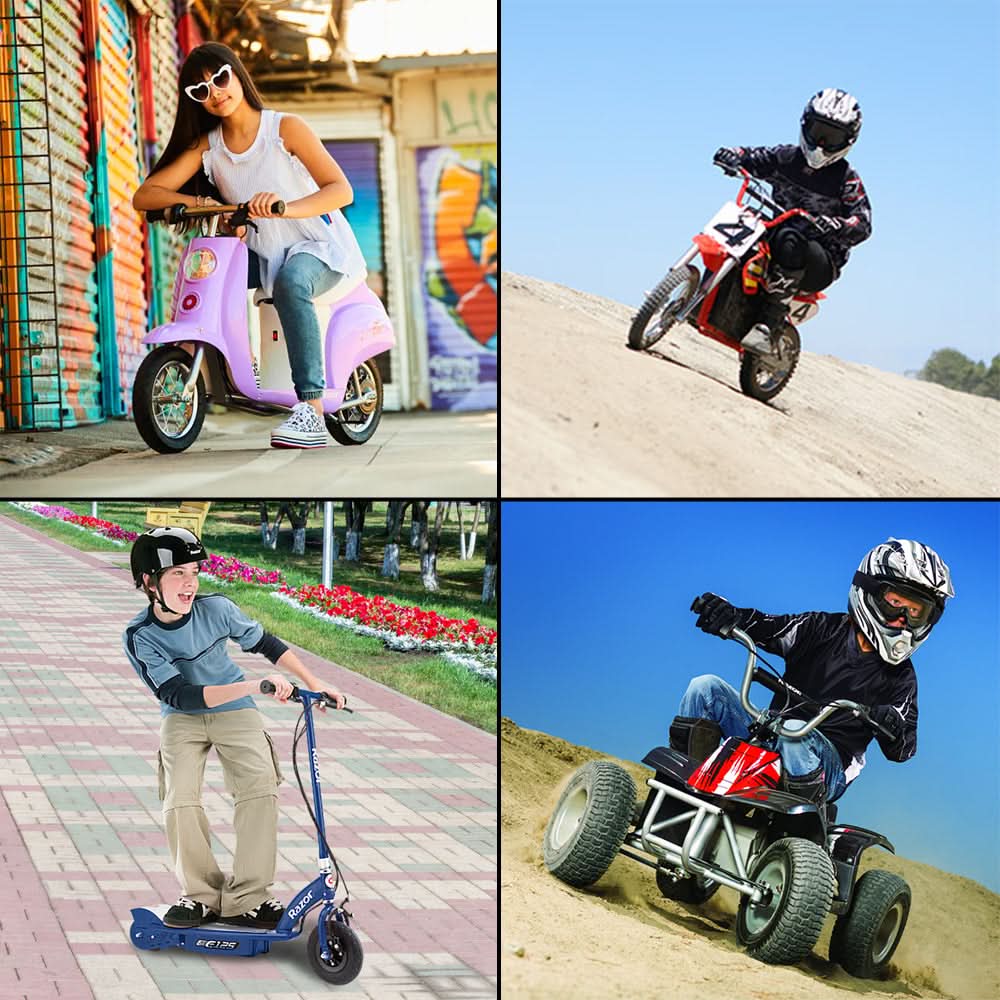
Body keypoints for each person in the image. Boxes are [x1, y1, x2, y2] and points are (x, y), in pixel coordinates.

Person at [132, 41, 367, 449]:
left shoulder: (284, 129)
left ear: (237, 73)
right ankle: (218, 363)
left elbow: (340, 190)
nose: (215, 92)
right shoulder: (209, 147)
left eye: (220, 78)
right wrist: (200, 203)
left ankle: (310, 409)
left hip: (319, 246)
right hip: (264, 253)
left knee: (293, 281)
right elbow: (147, 194)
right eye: (201, 90)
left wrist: (285, 209)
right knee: (211, 281)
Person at [122, 526, 347, 929]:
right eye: (178, 574)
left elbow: (268, 645)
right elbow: (181, 696)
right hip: (182, 717)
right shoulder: (140, 636)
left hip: (234, 710)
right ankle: (200, 897)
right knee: (181, 797)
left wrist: (315, 684)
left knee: (260, 786)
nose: (190, 583)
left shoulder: (218, 609)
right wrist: (252, 685)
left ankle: (249, 898)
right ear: (148, 582)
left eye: (194, 573)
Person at [670, 539, 953, 807]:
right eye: (895, 602)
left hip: (829, 767)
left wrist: (891, 723)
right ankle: (682, 799)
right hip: (768, 733)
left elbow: (903, 750)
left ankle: (789, 830)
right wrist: (729, 615)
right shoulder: (819, 627)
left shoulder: (902, 677)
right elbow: (768, 627)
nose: (904, 618)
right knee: (704, 688)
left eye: (916, 611)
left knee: (794, 731)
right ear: (869, 590)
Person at [713, 87, 873, 355]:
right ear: (804, 124)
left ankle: (768, 324)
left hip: (821, 261)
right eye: (818, 131)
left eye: (832, 137)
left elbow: (863, 223)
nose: (821, 143)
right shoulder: (786, 157)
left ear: (848, 140)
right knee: (750, 225)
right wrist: (731, 155)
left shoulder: (846, 178)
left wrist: (832, 225)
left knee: (791, 238)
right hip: (776, 235)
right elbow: (751, 156)